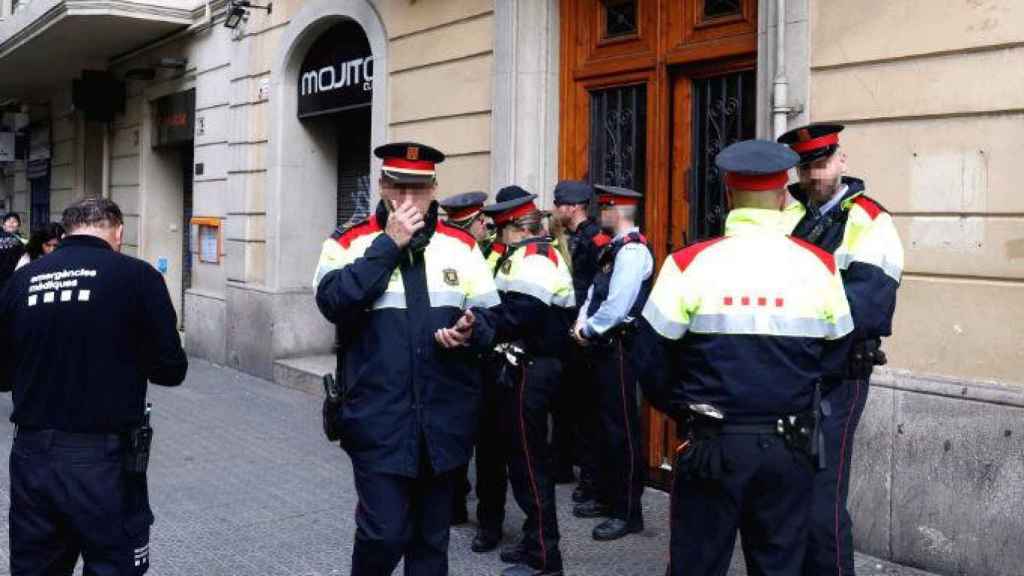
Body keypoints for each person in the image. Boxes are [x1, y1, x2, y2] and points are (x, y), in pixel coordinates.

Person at [634, 139, 853, 576]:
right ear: (780, 198)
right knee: (779, 564)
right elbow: (837, 357)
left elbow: (649, 357)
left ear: (730, 196)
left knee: (697, 564)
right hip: (790, 444)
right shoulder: (821, 266)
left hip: (712, 442)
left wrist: (684, 409)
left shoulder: (687, 264)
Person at [313, 142, 501, 576]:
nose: (408, 200)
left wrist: (473, 329)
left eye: (418, 189)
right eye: (398, 187)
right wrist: (388, 246)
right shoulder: (348, 241)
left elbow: (494, 316)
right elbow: (333, 302)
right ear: (381, 186)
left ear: (434, 188)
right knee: (383, 534)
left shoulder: (460, 245)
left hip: (444, 419)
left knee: (431, 545)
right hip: (379, 419)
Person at [0, 197, 188, 575]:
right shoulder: (137, 277)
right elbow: (171, 369)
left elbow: (2, 375)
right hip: (105, 462)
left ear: (66, 231)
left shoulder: (22, 281)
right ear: (118, 232)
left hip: (33, 459)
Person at [778, 123, 904, 576]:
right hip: (792, 373)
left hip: (835, 376)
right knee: (788, 494)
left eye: (822, 163)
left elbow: (865, 308)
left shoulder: (869, 220)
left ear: (842, 160)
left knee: (821, 500)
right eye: (806, 165)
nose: (814, 175)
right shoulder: (791, 216)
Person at [480, 185, 575, 576]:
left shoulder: (534, 259)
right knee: (523, 461)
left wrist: (477, 324)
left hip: (532, 370)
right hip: (527, 367)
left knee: (529, 464)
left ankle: (544, 558)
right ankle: (533, 539)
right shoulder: (528, 255)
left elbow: (520, 315)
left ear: (512, 229)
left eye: (498, 230)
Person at [570, 184, 651, 541]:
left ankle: (628, 511)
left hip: (619, 347)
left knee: (622, 432)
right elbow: (593, 292)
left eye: (604, 209)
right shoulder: (612, 250)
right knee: (603, 427)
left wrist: (588, 331)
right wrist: (582, 323)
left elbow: (618, 305)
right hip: (601, 345)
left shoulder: (632, 253)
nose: (599, 214)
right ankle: (606, 496)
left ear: (618, 212)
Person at [551, 180, 608, 500]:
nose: (557, 209)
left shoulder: (596, 239)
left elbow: (599, 289)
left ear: (572, 207)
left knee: (588, 408)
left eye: (560, 204)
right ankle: (561, 463)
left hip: (584, 332)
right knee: (564, 402)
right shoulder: (564, 238)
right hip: (564, 328)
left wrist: (588, 327)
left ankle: (590, 478)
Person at [438, 190, 491, 527]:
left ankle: (463, 497)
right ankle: (454, 500)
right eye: (481, 221)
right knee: (456, 431)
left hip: (479, 358)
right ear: (468, 224)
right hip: (455, 360)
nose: (487, 224)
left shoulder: (486, 252)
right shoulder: (452, 253)